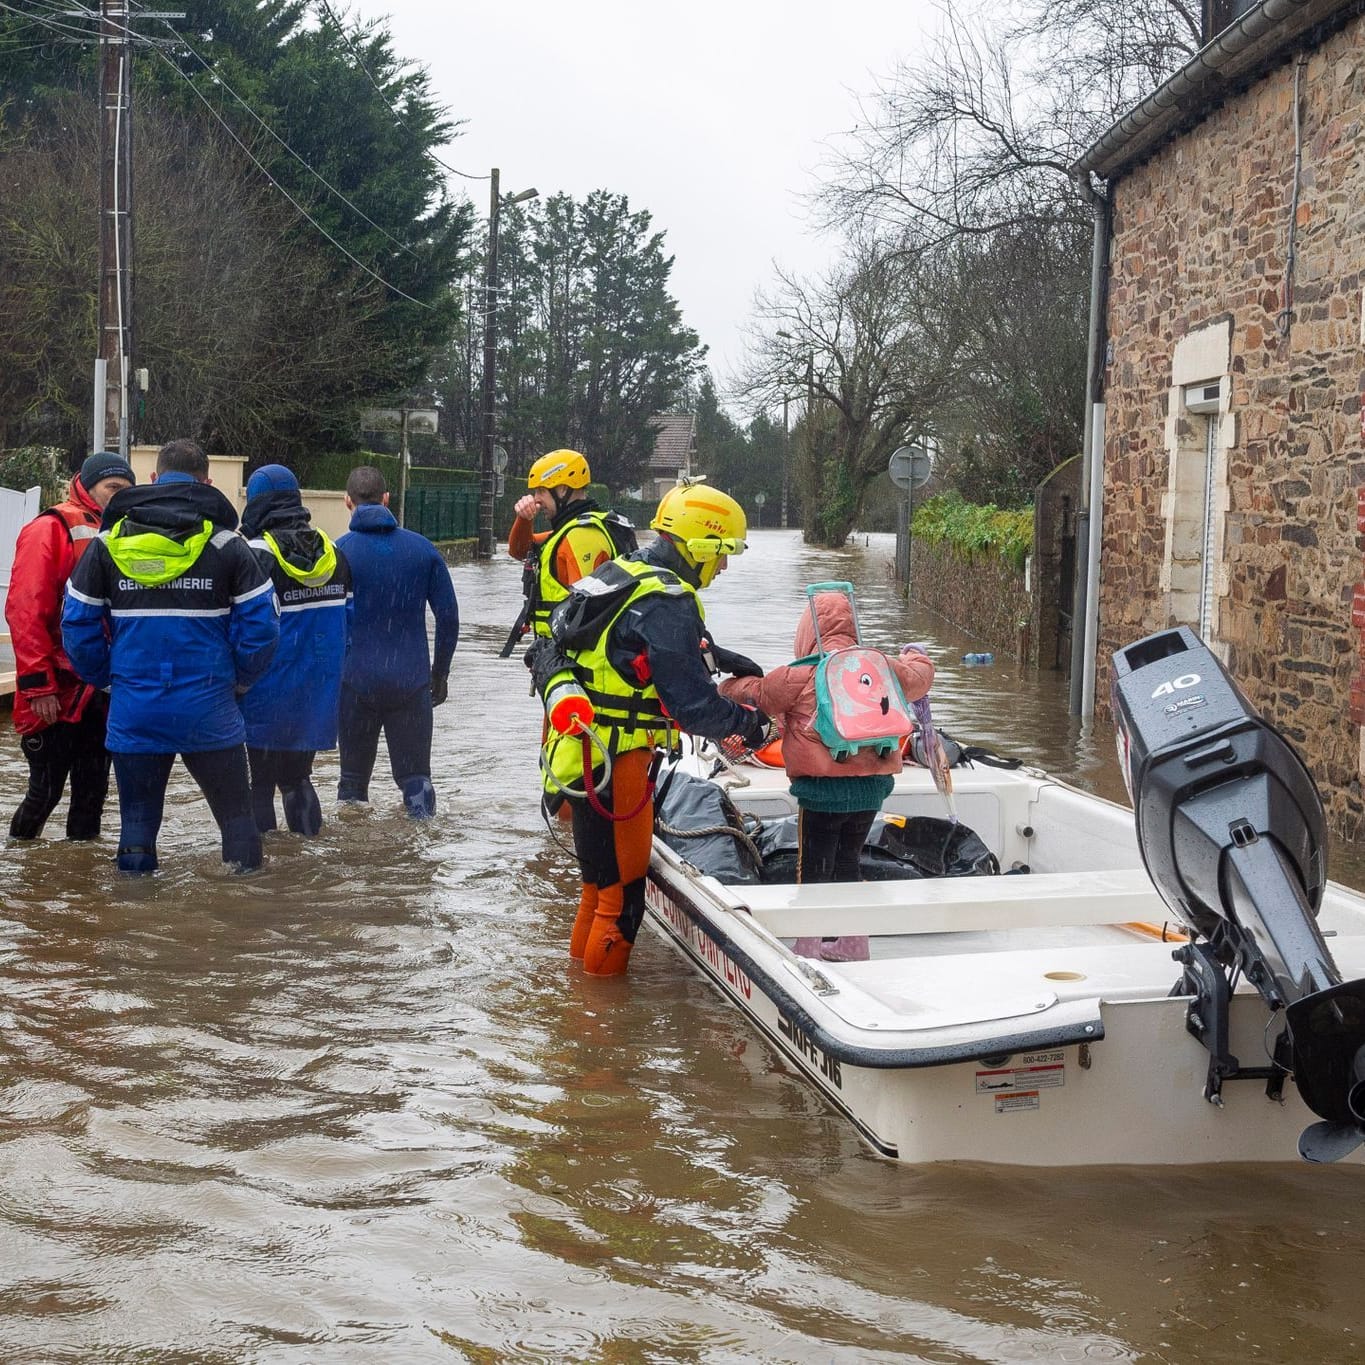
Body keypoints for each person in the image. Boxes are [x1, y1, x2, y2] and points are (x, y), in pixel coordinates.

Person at [531, 478, 766, 977]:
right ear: (699, 545)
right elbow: (694, 707)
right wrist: (752, 726)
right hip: (620, 764)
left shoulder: (623, 572)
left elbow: (620, 643)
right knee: (622, 901)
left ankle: (574, 1010)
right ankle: (599, 1032)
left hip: (579, 753)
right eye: (721, 554)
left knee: (597, 887)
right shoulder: (667, 601)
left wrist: (719, 656)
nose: (722, 567)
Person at [62, 438, 279, 873]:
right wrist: (237, 681)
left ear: (155, 479)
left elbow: (76, 627)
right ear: (207, 482)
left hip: (136, 709)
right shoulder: (227, 546)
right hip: (209, 709)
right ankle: (248, 925)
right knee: (238, 821)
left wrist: (110, 679)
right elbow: (263, 630)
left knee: (137, 824)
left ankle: (135, 922)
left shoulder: (106, 547)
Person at [718, 590, 935, 961]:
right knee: (849, 861)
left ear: (807, 633)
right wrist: (913, 656)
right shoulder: (880, 666)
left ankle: (809, 945)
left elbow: (757, 695)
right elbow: (920, 678)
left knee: (814, 868)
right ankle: (853, 942)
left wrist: (727, 685)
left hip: (821, 791)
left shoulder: (799, 674)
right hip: (872, 788)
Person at [5, 451, 134, 840]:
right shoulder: (52, 527)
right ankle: (20, 869)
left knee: (93, 796)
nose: (119, 496)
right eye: (112, 487)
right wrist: (37, 685)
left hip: (100, 689)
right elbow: (26, 609)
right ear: (87, 485)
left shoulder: (124, 531)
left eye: (126, 490)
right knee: (44, 793)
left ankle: (81, 887)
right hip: (58, 689)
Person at [336, 465, 459, 818]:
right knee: (416, 778)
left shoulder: (339, 552)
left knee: (352, 783)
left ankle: (349, 861)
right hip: (410, 680)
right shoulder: (422, 551)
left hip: (355, 681)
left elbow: (326, 622)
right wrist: (440, 673)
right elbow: (448, 618)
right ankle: (421, 851)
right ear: (387, 499)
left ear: (348, 502)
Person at [239, 464, 352, 836]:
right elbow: (346, 622)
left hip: (266, 687)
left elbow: (245, 628)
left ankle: (269, 872)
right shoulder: (333, 552)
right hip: (315, 690)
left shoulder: (254, 555)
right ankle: (307, 854)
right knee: (297, 778)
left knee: (258, 783)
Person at [501, 448, 630, 655]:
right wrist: (524, 520)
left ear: (562, 489)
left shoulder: (581, 536)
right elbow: (521, 551)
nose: (536, 499)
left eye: (541, 491)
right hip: (562, 654)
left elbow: (587, 618)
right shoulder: (573, 530)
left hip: (575, 662)